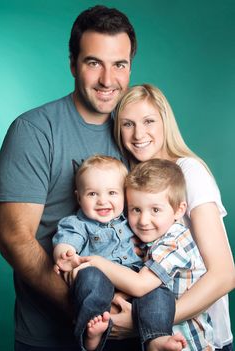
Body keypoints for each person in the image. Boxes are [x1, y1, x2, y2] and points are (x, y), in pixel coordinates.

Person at [0, 5, 148, 351]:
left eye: (120, 65)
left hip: (130, 330)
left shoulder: (134, 132)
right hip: (50, 338)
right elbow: (12, 237)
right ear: (72, 64)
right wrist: (86, 310)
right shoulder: (35, 130)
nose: (108, 80)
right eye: (94, 62)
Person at [112, 84, 235, 350]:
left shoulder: (189, 172)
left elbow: (224, 275)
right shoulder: (132, 182)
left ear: (165, 123)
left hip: (202, 338)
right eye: (128, 124)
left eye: (148, 121)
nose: (138, 133)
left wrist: (143, 323)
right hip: (160, 336)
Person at [75, 158, 214, 350]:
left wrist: (96, 262)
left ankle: (156, 340)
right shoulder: (147, 240)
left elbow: (140, 286)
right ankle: (92, 340)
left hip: (189, 343)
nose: (144, 220)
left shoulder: (175, 241)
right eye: (136, 210)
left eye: (155, 210)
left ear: (179, 210)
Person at [53, 155, 185, 351]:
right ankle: (91, 336)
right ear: (78, 197)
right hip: (102, 282)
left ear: (125, 196)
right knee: (90, 278)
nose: (102, 201)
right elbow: (67, 239)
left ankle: (156, 338)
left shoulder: (133, 219)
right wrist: (66, 254)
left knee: (160, 292)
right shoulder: (78, 223)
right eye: (92, 194)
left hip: (134, 282)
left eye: (112, 193)